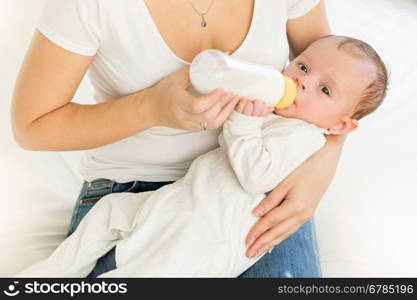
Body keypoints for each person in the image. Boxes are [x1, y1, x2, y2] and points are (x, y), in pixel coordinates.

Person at [15, 35, 388, 278]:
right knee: (109, 211)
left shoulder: (303, 136)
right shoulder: (274, 109)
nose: (303, 82)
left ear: (341, 126)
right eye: (303, 67)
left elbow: (256, 175)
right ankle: (52, 273)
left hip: (207, 238)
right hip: (182, 200)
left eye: (324, 89)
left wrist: (243, 122)